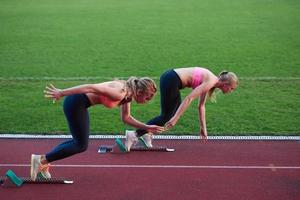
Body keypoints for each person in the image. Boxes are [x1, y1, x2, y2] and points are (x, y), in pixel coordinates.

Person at [30, 77, 164, 181]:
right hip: (76, 102)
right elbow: (91, 87)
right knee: (80, 145)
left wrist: (147, 127)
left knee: (78, 142)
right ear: (139, 92)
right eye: (147, 97)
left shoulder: (128, 94)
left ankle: (43, 160)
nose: (147, 101)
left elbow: (126, 118)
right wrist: (61, 92)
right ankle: (41, 160)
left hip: (79, 104)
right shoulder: (119, 93)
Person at [125, 67, 238, 150]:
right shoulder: (211, 81)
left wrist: (203, 128)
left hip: (171, 79)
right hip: (171, 79)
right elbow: (189, 98)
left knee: (169, 114)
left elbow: (201, 106)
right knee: (167, 116)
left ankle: (146, 134)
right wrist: (176, 118)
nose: (231, 91)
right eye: (232, 88)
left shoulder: (211, 82)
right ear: (226, 84)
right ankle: (134, 135)